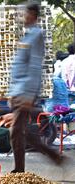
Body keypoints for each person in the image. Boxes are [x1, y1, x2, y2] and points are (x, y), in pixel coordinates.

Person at [9, 3, 62, 173]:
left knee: (16, 130)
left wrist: (28, 94)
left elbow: (34, 66)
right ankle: (52, 155)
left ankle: (19, 170)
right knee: (21, 131)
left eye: (24, 13)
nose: (21, 16)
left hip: (25, 91)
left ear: (32, 15)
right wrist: (13, 92)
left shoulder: (37, 35)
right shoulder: (26, 37)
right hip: (19, 91)